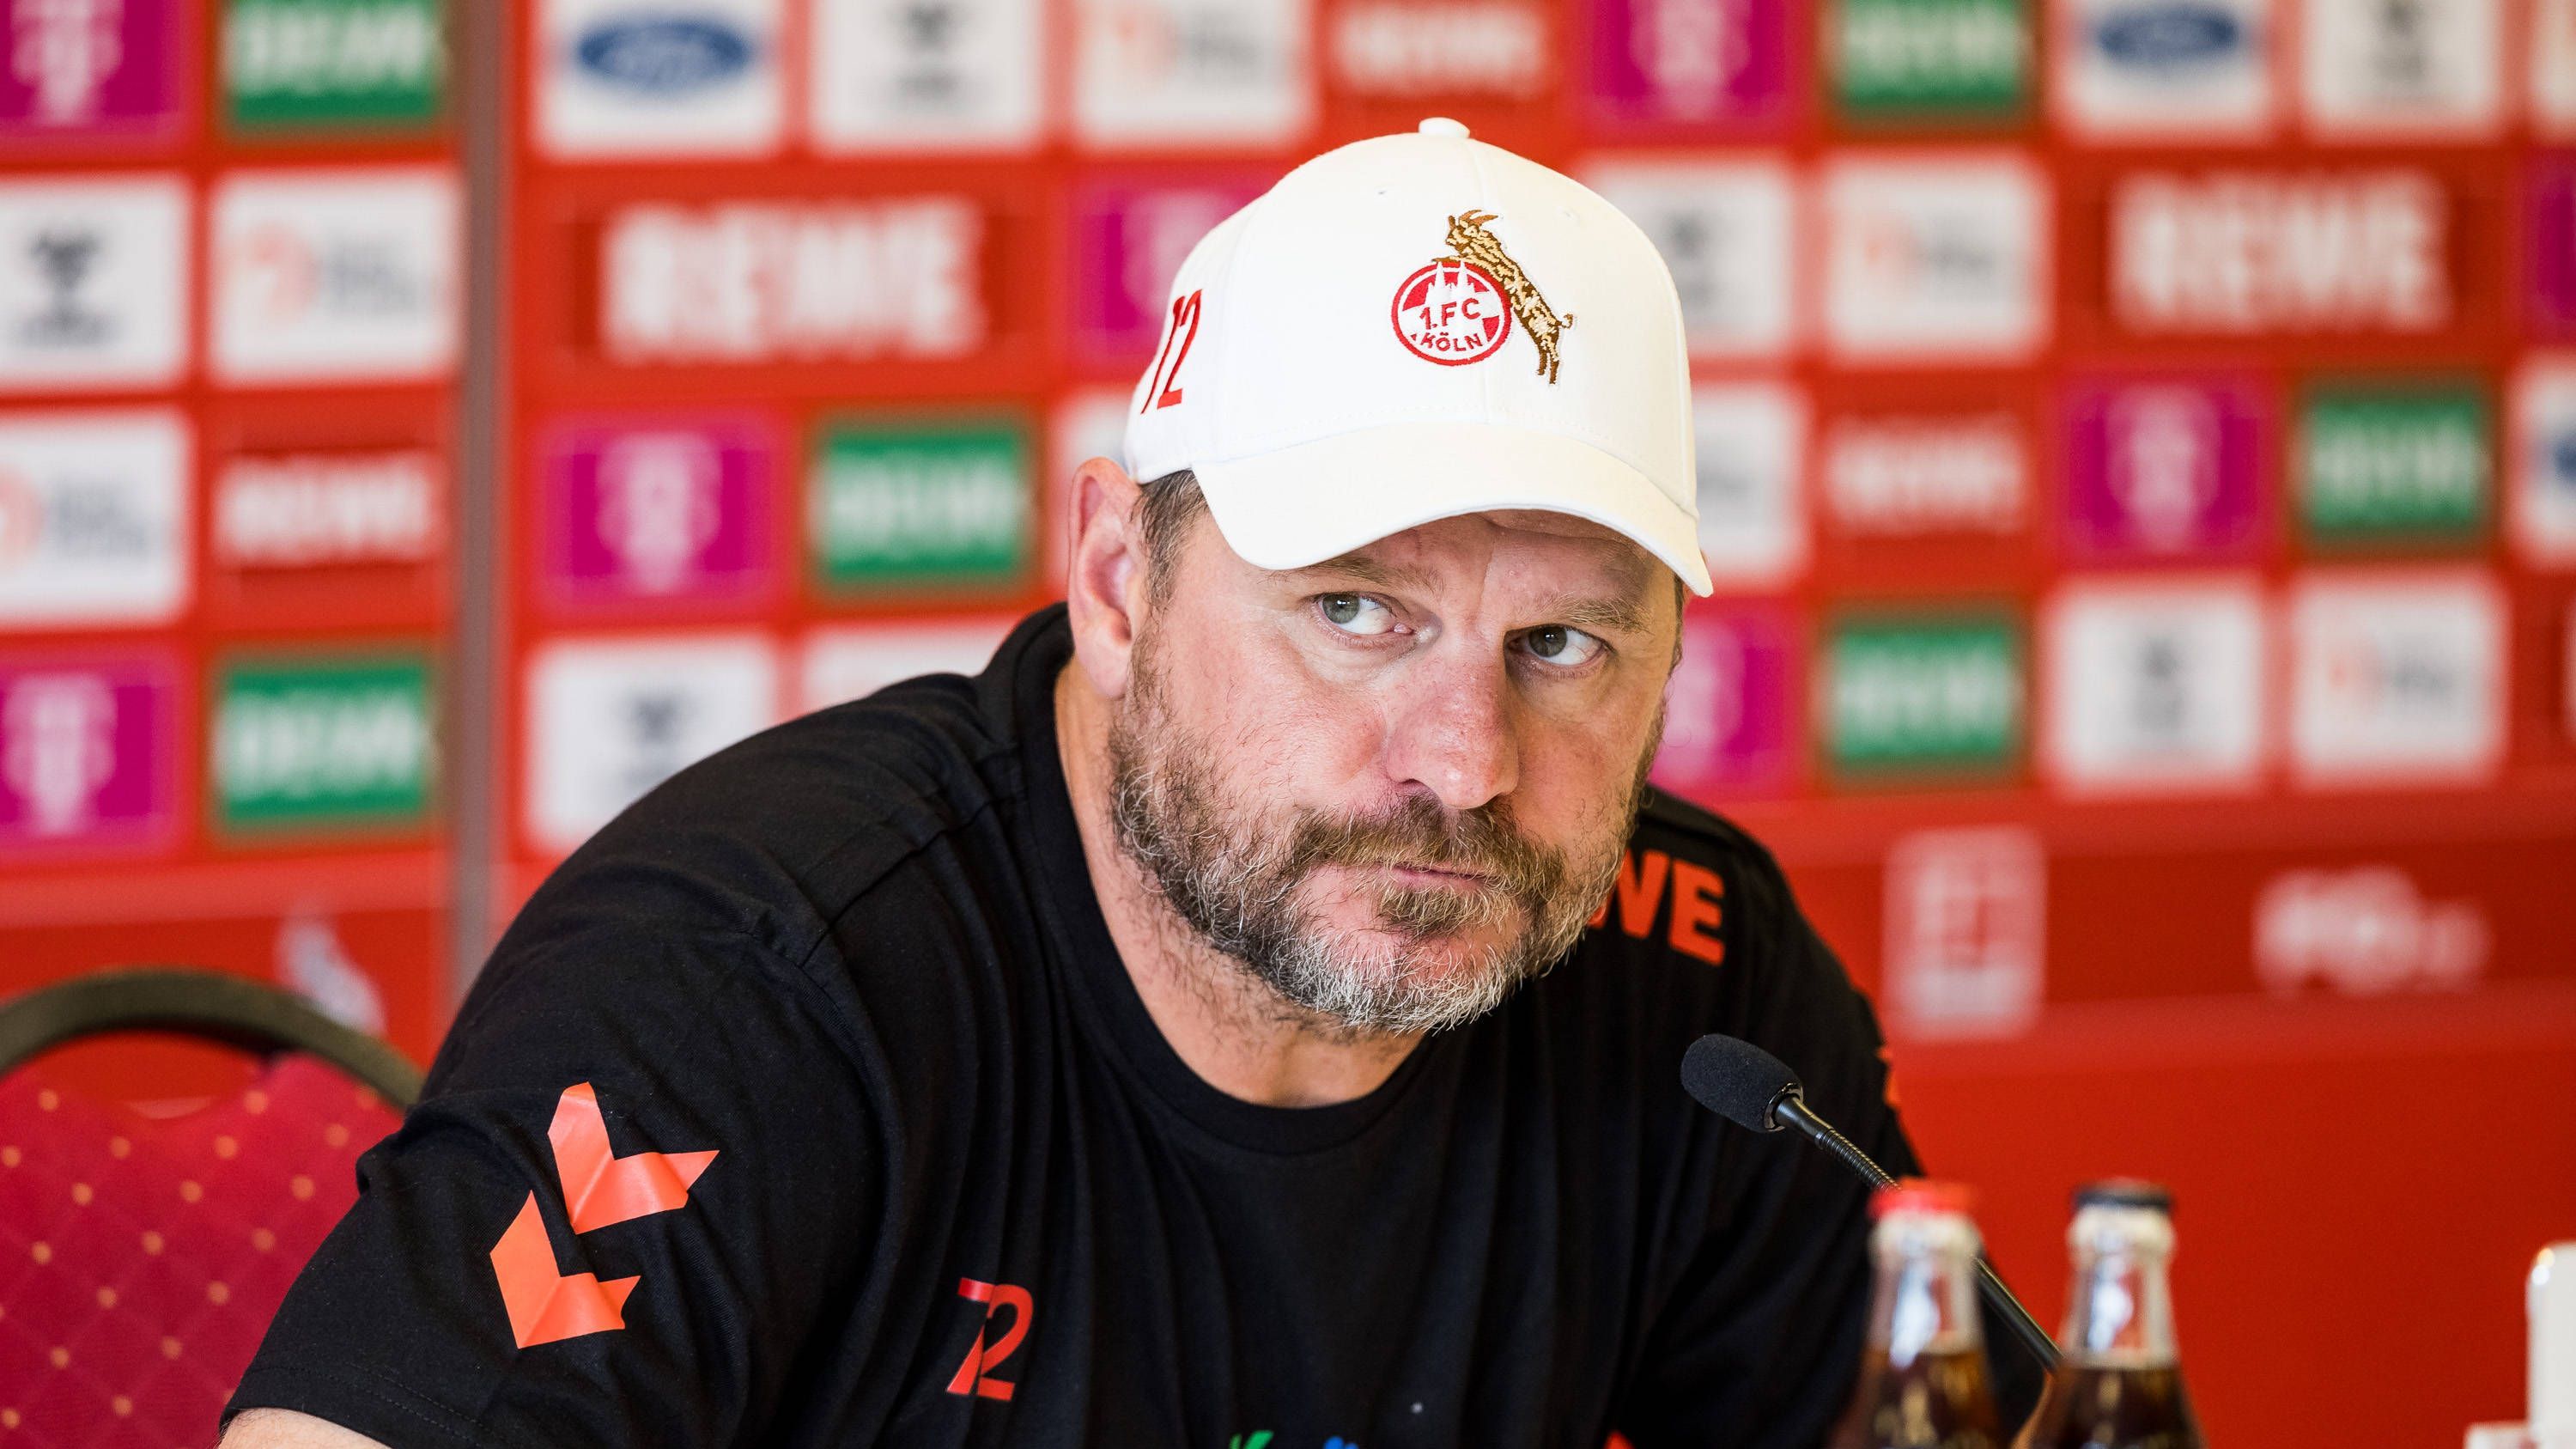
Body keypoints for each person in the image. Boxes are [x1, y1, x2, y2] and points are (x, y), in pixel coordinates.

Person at [222, 119, 2040, 1449]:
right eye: (1354, 612)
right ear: (1116, 582)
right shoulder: (758, 979)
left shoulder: (1699, 984)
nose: (1464, 764)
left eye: (1561, 645)